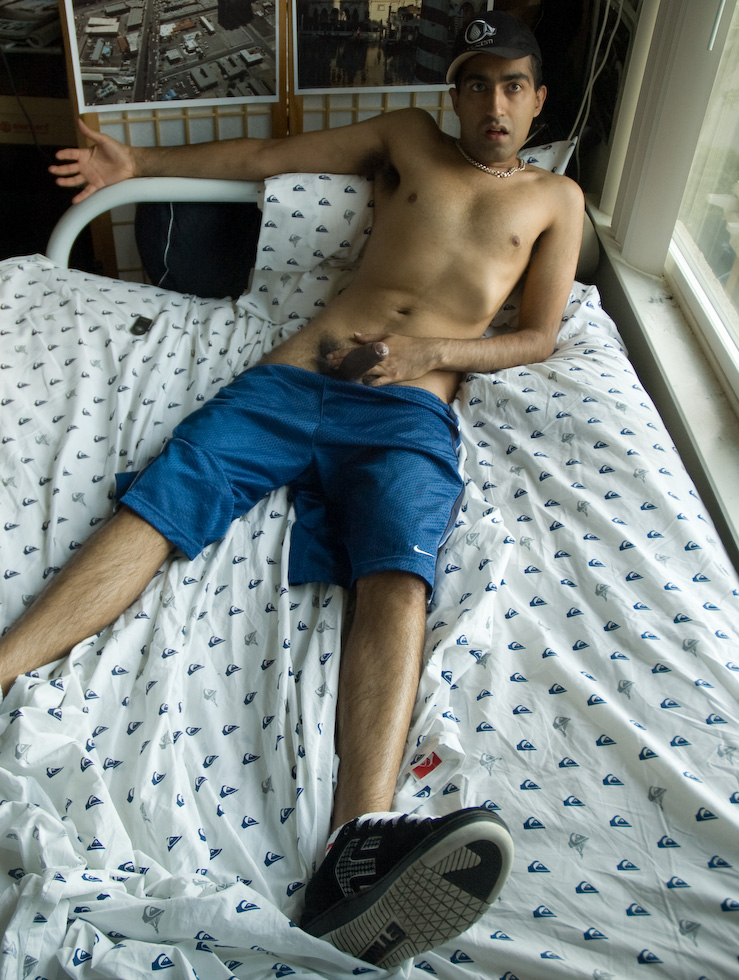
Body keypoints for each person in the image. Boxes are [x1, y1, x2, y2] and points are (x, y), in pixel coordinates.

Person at [0, 11, 584, 970]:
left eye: (514, 85)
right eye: (478, 83)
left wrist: (429, 354)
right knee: (164, 500)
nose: (495, 102)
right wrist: (137, 163)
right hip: (295, 375)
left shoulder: (557, 199)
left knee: (398, 571)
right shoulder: (407, 139)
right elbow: (272, 155)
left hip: (407, 409)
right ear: (454, 93)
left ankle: (360, 848)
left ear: (538, 98)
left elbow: (539, 336)